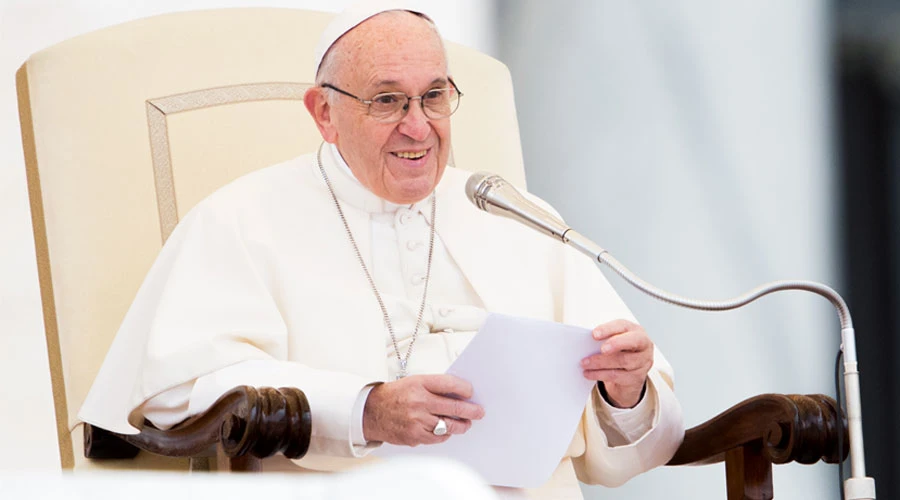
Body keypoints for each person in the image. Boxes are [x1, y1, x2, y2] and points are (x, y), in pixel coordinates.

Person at [79, 2, 684, 498]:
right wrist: (364, 410)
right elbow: (182, 389)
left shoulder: (519, 217)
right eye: (388, 100)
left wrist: (623, 390)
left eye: (435, 96)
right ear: (325, 113)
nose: (418, 126)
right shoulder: (239, 220)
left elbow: (631, 441)